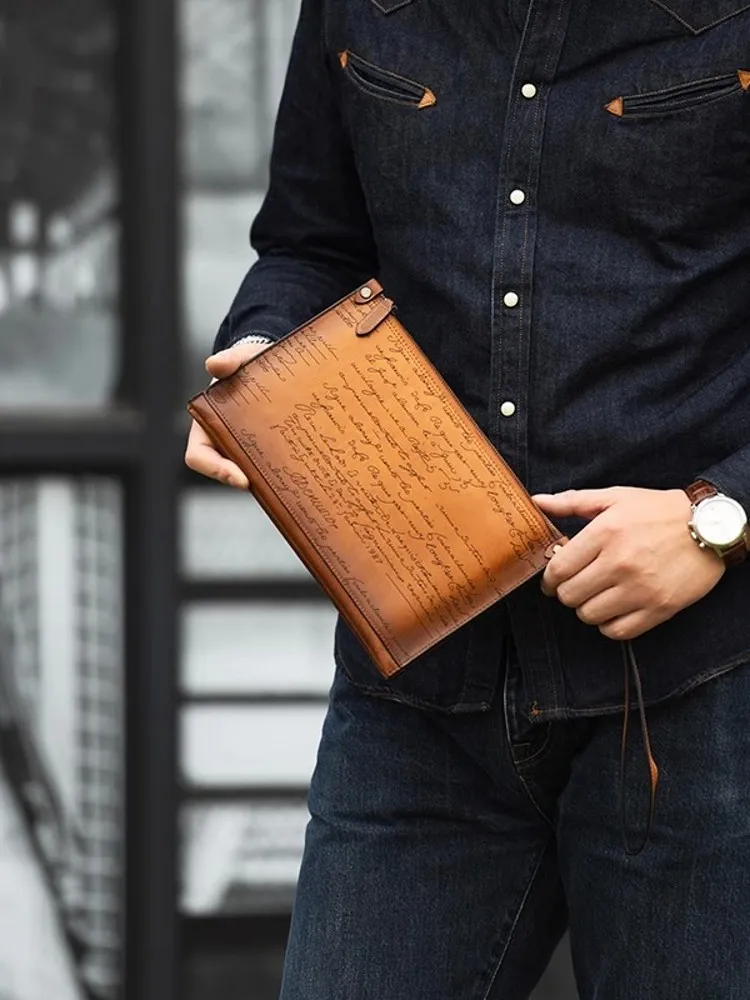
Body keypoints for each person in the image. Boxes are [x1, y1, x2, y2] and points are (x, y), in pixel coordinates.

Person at [184, 2, 750, 997]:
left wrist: (719, 518)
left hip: (698, 699)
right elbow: (309, 245)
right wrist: (269, 358)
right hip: (417, 694)